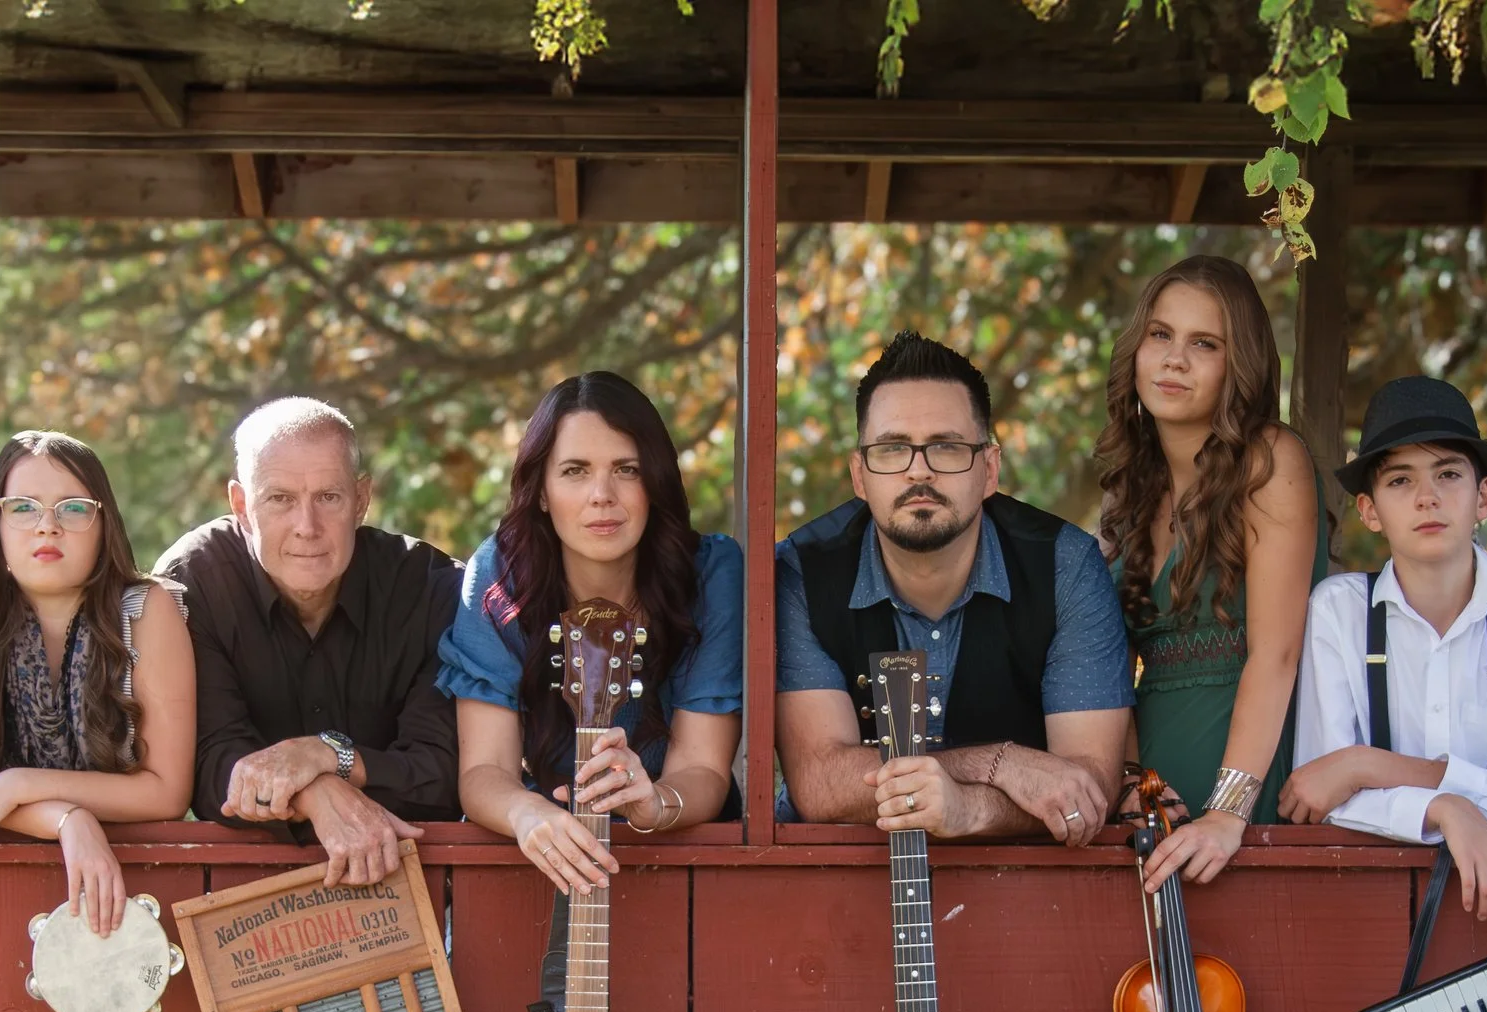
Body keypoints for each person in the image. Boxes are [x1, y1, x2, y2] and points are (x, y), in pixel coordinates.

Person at [775, 331, 1131, 840]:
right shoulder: (801, 574)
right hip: (841, 880)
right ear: (860, 475)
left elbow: (1088, 788)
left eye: (946, 447)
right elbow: (821, 783)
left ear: (989, 469)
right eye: (893, 448)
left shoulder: (1065, 567)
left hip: (1022, 889)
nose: (918, 471)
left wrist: (972, 809)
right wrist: (999, 765)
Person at [441, 370, 741, 902]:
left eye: (626, 469)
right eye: (575, 471)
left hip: (685, 869)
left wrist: (654, 802)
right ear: (540, 491)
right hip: (538, 863)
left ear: (655, 481)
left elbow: (703, 767)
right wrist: (527, 811)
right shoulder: (500, 577)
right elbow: (484, 767)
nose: (602, 496)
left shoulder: (711, 575)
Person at [1284, 376, 1487, 922]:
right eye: (1399, 480)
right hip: (1363, 908)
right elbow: (1324, 796)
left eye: (1448, 474)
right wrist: (1448, 807)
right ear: (1369, 511)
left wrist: (1365, 763)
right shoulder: (1339, 610)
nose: (1427, 497)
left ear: (1483, 496)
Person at [155, 397, 458, 886]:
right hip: (243, 903)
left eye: (329, 497)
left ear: (360, 500)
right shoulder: (191, 585)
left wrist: (325, 756)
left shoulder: (429, 589)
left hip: (406, 894)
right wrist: (316, 792)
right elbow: (210, 766)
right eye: (279, 499)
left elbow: (439, 775)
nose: (307, 526)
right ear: (241, 505)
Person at [1096, 253, 1327, 892]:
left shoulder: (1271, 461)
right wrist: (1130, 783)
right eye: (1161, 335)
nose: (1175, 359)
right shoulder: (1128, 491)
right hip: (1150, 794)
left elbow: (1276, 656)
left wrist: (1229, 811)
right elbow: (1106, 661)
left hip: (1254, 779)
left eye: (1205, 343)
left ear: (1239, 365)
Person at [0, 431, 193, 934]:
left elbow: (166, 792)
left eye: (73, 509)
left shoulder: (146, 611)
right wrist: (69, 820)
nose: (47, 527)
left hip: (140, 896)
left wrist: (18, 784)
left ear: (103, 524)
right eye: (23, 508)